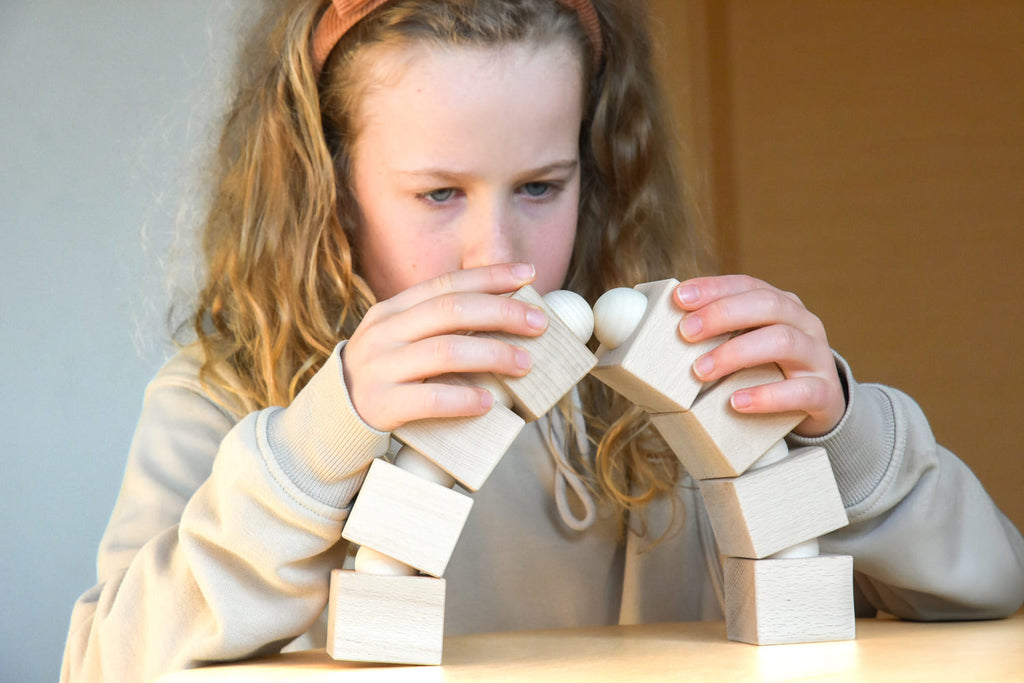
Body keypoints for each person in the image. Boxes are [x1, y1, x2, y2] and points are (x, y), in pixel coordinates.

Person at [61, 0, 1024, 680]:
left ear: (592, 174)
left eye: (539, 187)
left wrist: (846, 438)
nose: (499, 253)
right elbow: (104, 663)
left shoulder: (678, 381)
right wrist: (318, 445)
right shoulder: (225, 394)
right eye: (440, 193)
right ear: (332, 186)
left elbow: (990, 585)